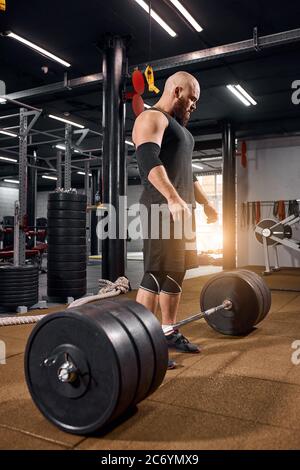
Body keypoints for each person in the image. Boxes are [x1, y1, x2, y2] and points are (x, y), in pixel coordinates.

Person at [132, 71, 218, 369]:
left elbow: (187, 173)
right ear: (177, 91)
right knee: (155, 273)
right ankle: (143, 342)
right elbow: (148, 161)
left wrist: (206, 205)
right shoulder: (151, 118)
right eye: (192, 98)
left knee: (176, 273)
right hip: (160, 208)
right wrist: (171, 197)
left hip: (183, 212)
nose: (194, 105)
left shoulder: (182, 130)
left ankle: (168, 331)